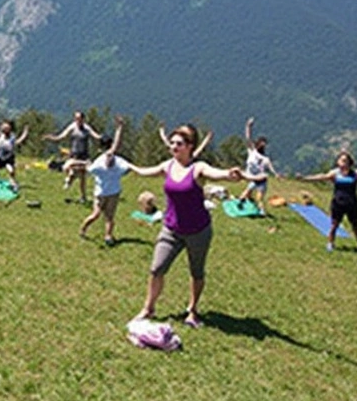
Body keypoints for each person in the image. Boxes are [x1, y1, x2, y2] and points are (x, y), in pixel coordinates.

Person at [129, 124, 249, 328]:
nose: (173, 147)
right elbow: (145, 171)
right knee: (157, 268)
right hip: (171, 229)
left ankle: (192, 310)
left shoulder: (198, 168)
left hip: (198, 231)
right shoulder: (168, 166)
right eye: (172, 143)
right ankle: (148, 308)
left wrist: (229, 174)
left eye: (179, 144)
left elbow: (216, 173)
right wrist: (127, 166)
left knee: (196, 272)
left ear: (190, 147)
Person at [65, 116, 129, 245]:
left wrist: (120, 128)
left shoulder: (115, 160)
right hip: (100, 194)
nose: (110, 156)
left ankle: (108, 236)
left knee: (110, 217)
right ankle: (83, 229)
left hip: (114, 193)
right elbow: (85, 166)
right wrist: (71, 164)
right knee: (96, 214)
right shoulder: (98, 164)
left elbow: (117, 145)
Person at [298, 151, 357, 252]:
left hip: (352, 204)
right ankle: (330, 244)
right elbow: (321, 177)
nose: (343, 163)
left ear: (349, 163)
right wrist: (304, 178)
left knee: (355, 226)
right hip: (338, 203)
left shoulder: (356, 174)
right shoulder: (335, 173)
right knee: (334, 225)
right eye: (341, 160)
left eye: (345, 161)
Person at [43, 112, 102, 203]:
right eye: (76, 118)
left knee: (82, 177)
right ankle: (71, 176)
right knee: (67, 167)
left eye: (79, 119)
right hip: (74, 154)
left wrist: (105, 139)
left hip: (84, 155)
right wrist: (50, 138)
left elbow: (96, 136)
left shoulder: (87, 128)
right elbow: (61, 136)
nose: (77, 121)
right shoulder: (72, 127)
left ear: (83, 119)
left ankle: (83, 196)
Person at [237, 117, 279, 212]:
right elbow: (248, 137)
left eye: (263, 145)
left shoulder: (265, 158)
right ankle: (242, 202)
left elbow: (270, 166)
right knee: (246, 192)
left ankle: (261, 210)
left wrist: (275, 173)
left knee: (259, 197)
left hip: (261, 179)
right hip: (252, 177)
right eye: (261, 144)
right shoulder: (252, 151)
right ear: (257, 144)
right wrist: (248, 126)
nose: (262, 146)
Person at [0, 114, 29, 186]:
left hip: (9, 158)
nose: (5, 128)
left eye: (7, 127)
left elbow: (18, 141)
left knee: (11, 171)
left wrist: (25, 132)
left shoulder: (12, 137)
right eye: (4, 127)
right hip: (0, 158)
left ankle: (13, 182)